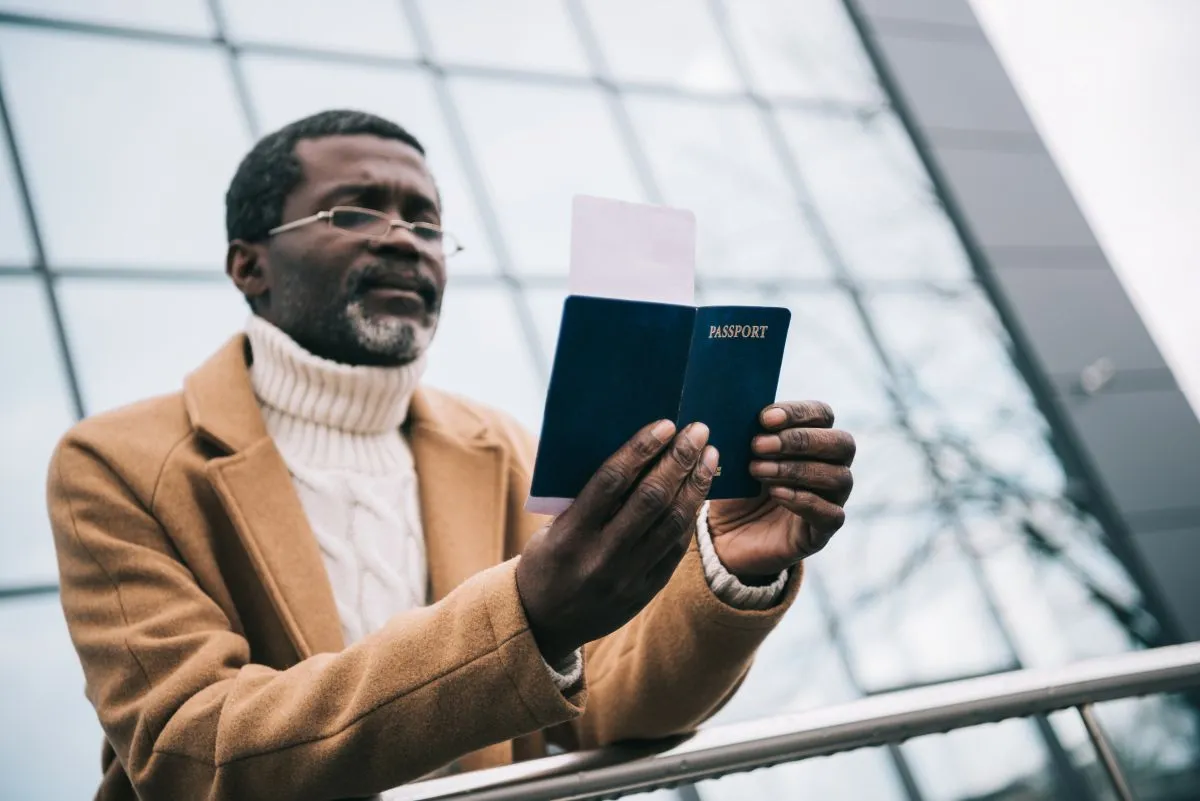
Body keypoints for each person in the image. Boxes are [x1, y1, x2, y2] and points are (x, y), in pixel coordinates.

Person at [46, 110, 856, 800]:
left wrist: (730, 570)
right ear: (248, 264)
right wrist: (524, 619)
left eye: (426, 222)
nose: (406, 240)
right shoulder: (115, 461)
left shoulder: (497, 446)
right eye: (355, 212)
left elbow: (607, 708)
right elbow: (191, 753)